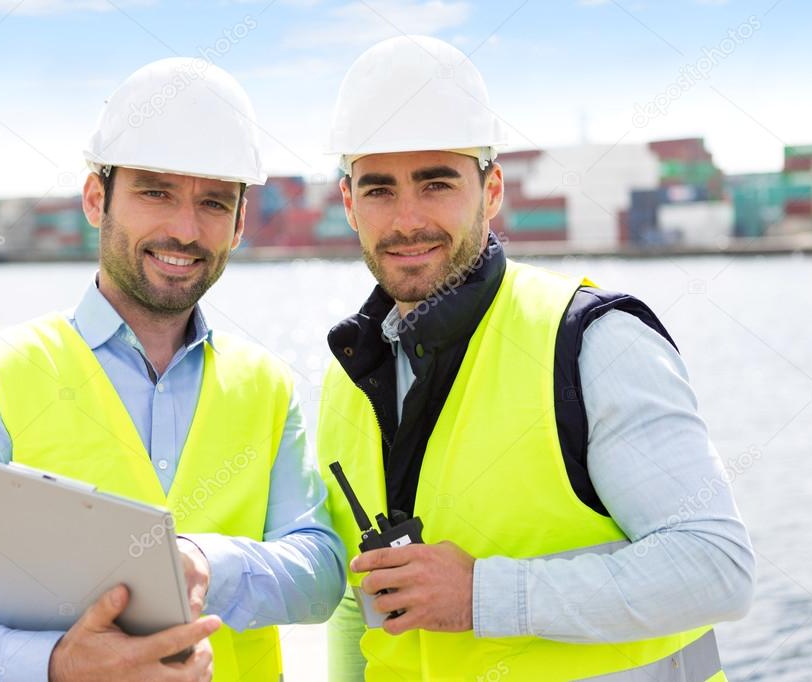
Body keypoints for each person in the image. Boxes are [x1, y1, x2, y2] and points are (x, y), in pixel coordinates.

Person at [0, 57, 345, 682]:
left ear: (239, 223)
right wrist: (54, 664)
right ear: (97, 198)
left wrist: (208, 563)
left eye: (212, 202)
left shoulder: (268, 386)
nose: (184, 229)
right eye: (155, 192)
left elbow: (320, 571)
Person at [317, 35, 754, 681]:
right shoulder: (348, 373)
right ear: (350, 204)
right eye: (379, 190)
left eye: (435, 183)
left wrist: (484, 597)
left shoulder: (592, 342)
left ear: (490, 190)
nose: (407, 219)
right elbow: (364, 604)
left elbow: (716, 567)